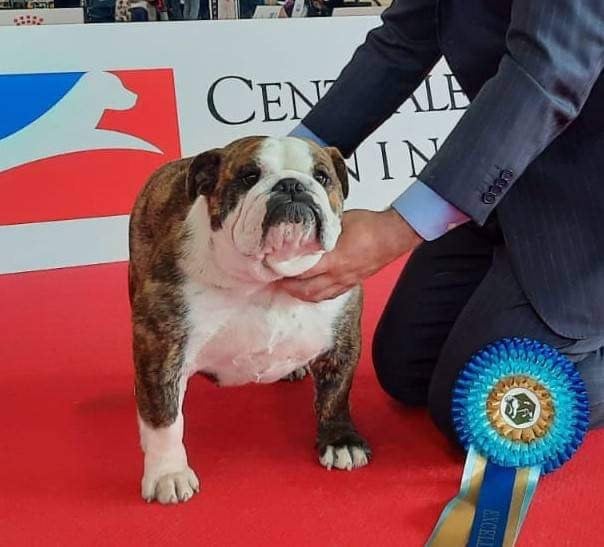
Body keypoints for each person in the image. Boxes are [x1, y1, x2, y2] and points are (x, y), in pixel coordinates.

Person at [281, 0, 604, 443]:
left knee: (482, 409)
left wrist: (393, 230)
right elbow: (402, 42)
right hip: (514, 181)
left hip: (590, 199)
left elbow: (547, 71)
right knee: (406, 368)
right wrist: (283, 165)